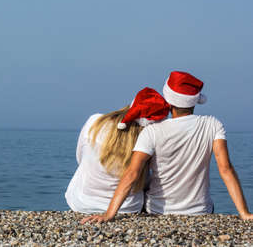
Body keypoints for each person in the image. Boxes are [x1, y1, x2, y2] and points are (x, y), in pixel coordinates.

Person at [82, 71, 253, 223]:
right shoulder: (213, 125)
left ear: (168, 101)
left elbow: (132, 174)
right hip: (199, 211)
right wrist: (244, 213)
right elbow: (226, 169)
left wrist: (109, 214)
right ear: (195, 101)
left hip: (157, 210)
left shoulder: (152, 131)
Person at [65, 87, 169, 214]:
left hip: (82, 202)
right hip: (127, 208)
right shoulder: (150, 138)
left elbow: (80, 158)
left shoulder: (95, 122)